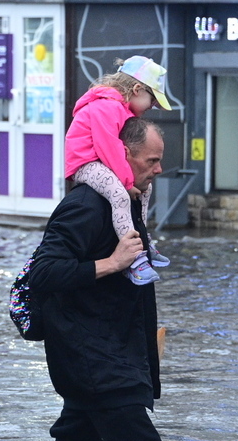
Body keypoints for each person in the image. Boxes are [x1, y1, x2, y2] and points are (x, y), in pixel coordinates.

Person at [28, 117, 167, 441]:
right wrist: (111, 262)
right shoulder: (86, 204)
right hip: (96, 360)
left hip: (104, 353)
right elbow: (44, 272)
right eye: (151, 160)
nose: (158, 169)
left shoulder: (124, 201)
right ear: (124, 155)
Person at [64, 56, 173, 285]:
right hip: (85, 163)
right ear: (136, 89)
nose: (152, 107)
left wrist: (133, 183)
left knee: (146, 187)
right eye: (152, 100)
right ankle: (134, 258)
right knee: (119, 194)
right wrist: (126, 182)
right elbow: (108, 147)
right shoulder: (107, 106)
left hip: (100, 162)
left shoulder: (121, 109)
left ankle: (142, 240)